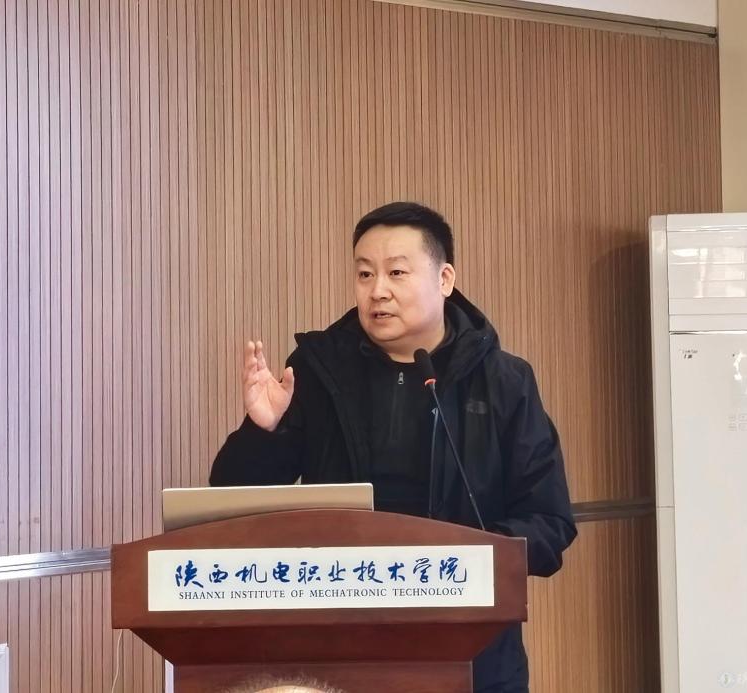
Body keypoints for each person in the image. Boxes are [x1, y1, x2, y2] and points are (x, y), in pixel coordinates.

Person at [210, 201, 577, 693]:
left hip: (472, 654)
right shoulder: (320, 370)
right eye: (364, 274)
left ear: (444, 279)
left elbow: (550, 522)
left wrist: (468, 557)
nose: (377, 290)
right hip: (340, 648)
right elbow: (231, 499)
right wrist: (264, 429)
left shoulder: (504, 381)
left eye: (396, 272)